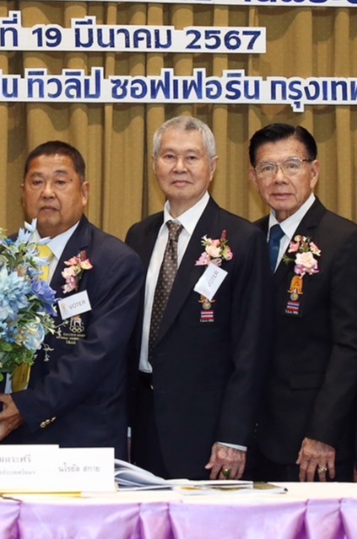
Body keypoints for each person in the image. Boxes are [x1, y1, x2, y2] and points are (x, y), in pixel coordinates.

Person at [0, 141, 144, 458]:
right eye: (37, 182)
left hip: (78, 438)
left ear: (84, 191)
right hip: (1, 434)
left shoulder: (115, 262)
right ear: (23, 192)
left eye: (60, 181)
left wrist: (27, 407)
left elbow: (96, 355)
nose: (47, 192)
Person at [125, 116, 266, 480]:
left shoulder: (242, 239)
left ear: (212, 166)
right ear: (154, 164)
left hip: (208, 430)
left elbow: (251, 347)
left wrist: (233, 436)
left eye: (191, 157)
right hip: (143, 420)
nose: (179, 168)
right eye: (169, 156)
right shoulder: (139, 236)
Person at [248, 123, 357, 483]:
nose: (279, 178)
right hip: (252, 435)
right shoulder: (247, 238)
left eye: (292, 165)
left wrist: (323, 433)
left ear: (313, 172)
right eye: (267, 168)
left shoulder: (344, 240)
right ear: (253, 178)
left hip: (310, 440)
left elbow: (351, 346)